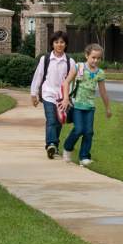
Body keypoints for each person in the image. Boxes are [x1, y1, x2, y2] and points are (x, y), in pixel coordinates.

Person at [58, 43, 112, 166]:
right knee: (78, 129)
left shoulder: (100, 73)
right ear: (86, 56)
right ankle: (67, 147)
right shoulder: (79, 67)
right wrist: (66, 98)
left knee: (88, 132)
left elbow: (103, 92)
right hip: (76, 105)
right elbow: (67, 82)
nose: (96, 60)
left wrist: (108, 108)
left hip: (90, 106)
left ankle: (84, 157)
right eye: (93, 57)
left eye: (99, 58)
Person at [30, 31, 75, 159]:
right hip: (48, 94)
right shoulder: (45, 59)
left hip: (63, 97)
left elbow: (72, 82)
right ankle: (51, 144)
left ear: (66, 44)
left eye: (62, 42)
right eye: (56, 42)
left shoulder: (69, 62)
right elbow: (38, 77)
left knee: (59, 121)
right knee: (51, 120)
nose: (59, 45)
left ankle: (54, 145)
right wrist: (34, 94)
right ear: (52, 44)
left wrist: (69, 98)